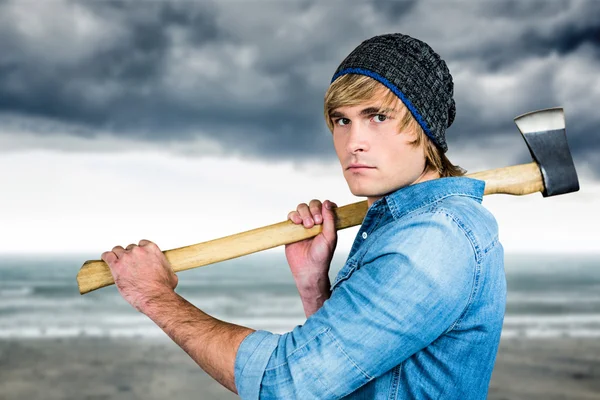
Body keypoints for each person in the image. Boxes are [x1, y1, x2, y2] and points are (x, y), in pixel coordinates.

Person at [101, 33, 506, 399]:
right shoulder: (410, 226)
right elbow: (357, 373)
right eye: (341, 120)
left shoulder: (432, 239)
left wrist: (155, 295)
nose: (354, 142)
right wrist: (314, 286)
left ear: (425, 128)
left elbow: (289, 383)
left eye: (377, 116)